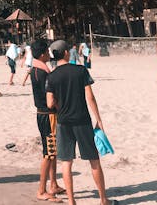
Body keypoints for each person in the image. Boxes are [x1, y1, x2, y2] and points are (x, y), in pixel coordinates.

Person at [46, 40, 118, 205]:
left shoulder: (52, 76)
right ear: (66, 53)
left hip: (63, 121)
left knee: (66, 162)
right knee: (93, 160)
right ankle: (103, 200)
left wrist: (60, 106)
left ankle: (72, 202)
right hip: (82, 120)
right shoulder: (80, 71)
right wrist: (98, 120)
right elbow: (90, 97)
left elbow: (50, 103)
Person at [30, 40, 65, 202]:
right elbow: (50, 98)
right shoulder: (42, 72)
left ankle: (54, 185)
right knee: (48, 153)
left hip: (42, 113)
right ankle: (41, 190)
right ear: (43, 53)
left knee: (52, 152)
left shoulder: (35, 69)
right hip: (47, 114)